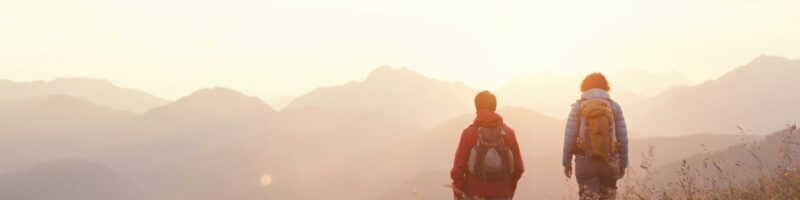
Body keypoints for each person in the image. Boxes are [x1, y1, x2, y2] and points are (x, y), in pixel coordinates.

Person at [562, 73, 629, 200]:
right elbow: (623, 139)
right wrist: (623, 164)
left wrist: (566, 163)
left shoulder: (578, 107)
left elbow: (569, 137)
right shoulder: (614, 107)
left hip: (584, 160)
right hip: (610, 161)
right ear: (606, 87)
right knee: (608, 197)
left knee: (588, 197)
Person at [451, 91, 525, 200]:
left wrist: (458, 194)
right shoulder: (509, 133)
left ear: (476, 109)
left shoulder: (469, 133)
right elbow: (519, 168)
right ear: (494, 107)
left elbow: (458, 169)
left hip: (473, 194)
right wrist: (509, 190)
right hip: (502, 194)